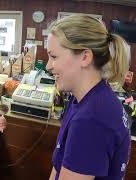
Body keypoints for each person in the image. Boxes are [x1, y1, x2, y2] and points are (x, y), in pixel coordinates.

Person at [46, 15, 131, 180]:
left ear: (85, 57)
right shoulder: (80, 99)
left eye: (54, 57)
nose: (48, 66)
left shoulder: (91, 120)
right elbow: (58, 167)